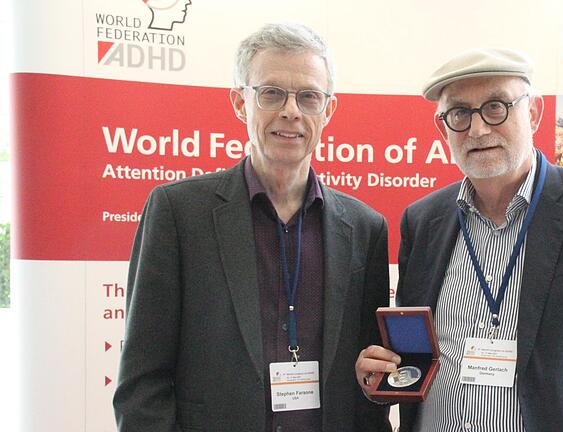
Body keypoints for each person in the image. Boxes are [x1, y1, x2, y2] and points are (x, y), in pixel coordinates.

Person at [355, 48, 563, 431]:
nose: (477, 130)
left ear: (533, 112)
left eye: (495, 107)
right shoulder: (423, 221)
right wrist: (384, 376)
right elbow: (414, 359)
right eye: (459, 114)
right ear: (443, 129)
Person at [114, 23, 391, 432]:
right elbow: (142, 383)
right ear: (241, 103)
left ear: (328, 110)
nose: (291, 111)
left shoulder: (366, 229)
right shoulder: (178, 212)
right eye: (272, 93)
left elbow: (370, 379)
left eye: (309, 96)